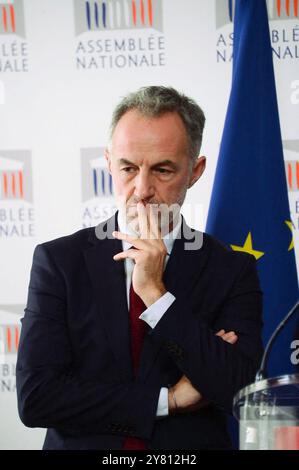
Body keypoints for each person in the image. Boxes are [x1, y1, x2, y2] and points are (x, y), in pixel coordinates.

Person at [16, 86, 263, 450]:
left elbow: (239, 392)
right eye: (128, 168)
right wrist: (169, 400)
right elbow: (37, 398)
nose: (142, 189)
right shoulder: (59, 262)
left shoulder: (231, 269)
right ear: (109, 162)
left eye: (163, 170)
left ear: (195, 170)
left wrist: (155, 295)